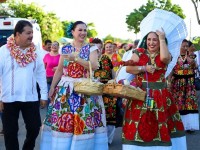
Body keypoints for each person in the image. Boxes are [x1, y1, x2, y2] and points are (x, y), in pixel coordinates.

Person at [40, 21, 108, 150]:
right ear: (73, 32)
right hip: (65, 89)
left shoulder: (91, 48)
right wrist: (53, 87)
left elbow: (94, 66)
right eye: (80, 30)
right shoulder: (65, 48)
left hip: (84, 89)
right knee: (65, 121)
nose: (83, 33)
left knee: (82, 120)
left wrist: (76, 58)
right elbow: (60, 69)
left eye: (85, 30)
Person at [123, 30, 187, 150]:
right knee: (140, 125)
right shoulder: (139, 52)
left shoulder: (166, 53)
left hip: (160, 95)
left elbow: (164, 59)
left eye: (155, 40)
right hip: (140, 94)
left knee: (159, 124)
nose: (151, 43)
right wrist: (144, 68)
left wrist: (162, 37)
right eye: (149, 39)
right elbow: (129, 69)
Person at [0, 20, 48, 150]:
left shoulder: (36, 51)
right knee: (10, 133)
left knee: (34, 129)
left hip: (30, 97)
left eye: (32, 32)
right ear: (17, 34)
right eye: (28, 33)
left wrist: (44, 95)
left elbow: (40, 74)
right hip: (8, 99)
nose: (31, 35)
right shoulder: (3, 51)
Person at [170, 39, 199, 133]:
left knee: (189, 103)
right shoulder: (173, 56)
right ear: (179, 46)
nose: (185, 48)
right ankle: (177, 125)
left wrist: (192, 61)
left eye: (187, 46)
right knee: (178, 103)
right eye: (183, 46)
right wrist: (169, 82)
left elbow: (195, 66)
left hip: (189, 84)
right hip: (177, 84)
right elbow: (170, 70)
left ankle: (189, 126)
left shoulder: (191, 56)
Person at [43, 41, 60, 106]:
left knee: (57, 98)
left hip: (58, 80)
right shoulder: (46, 56)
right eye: (53, 45)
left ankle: (56, 114)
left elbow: (64, 67)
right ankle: (48, 115)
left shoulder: (61, 56)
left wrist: (58, 68)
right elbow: (43, 68)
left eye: (56, 45)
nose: (54, 46)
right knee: (49, 98)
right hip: (48, 79)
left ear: (58, 47)